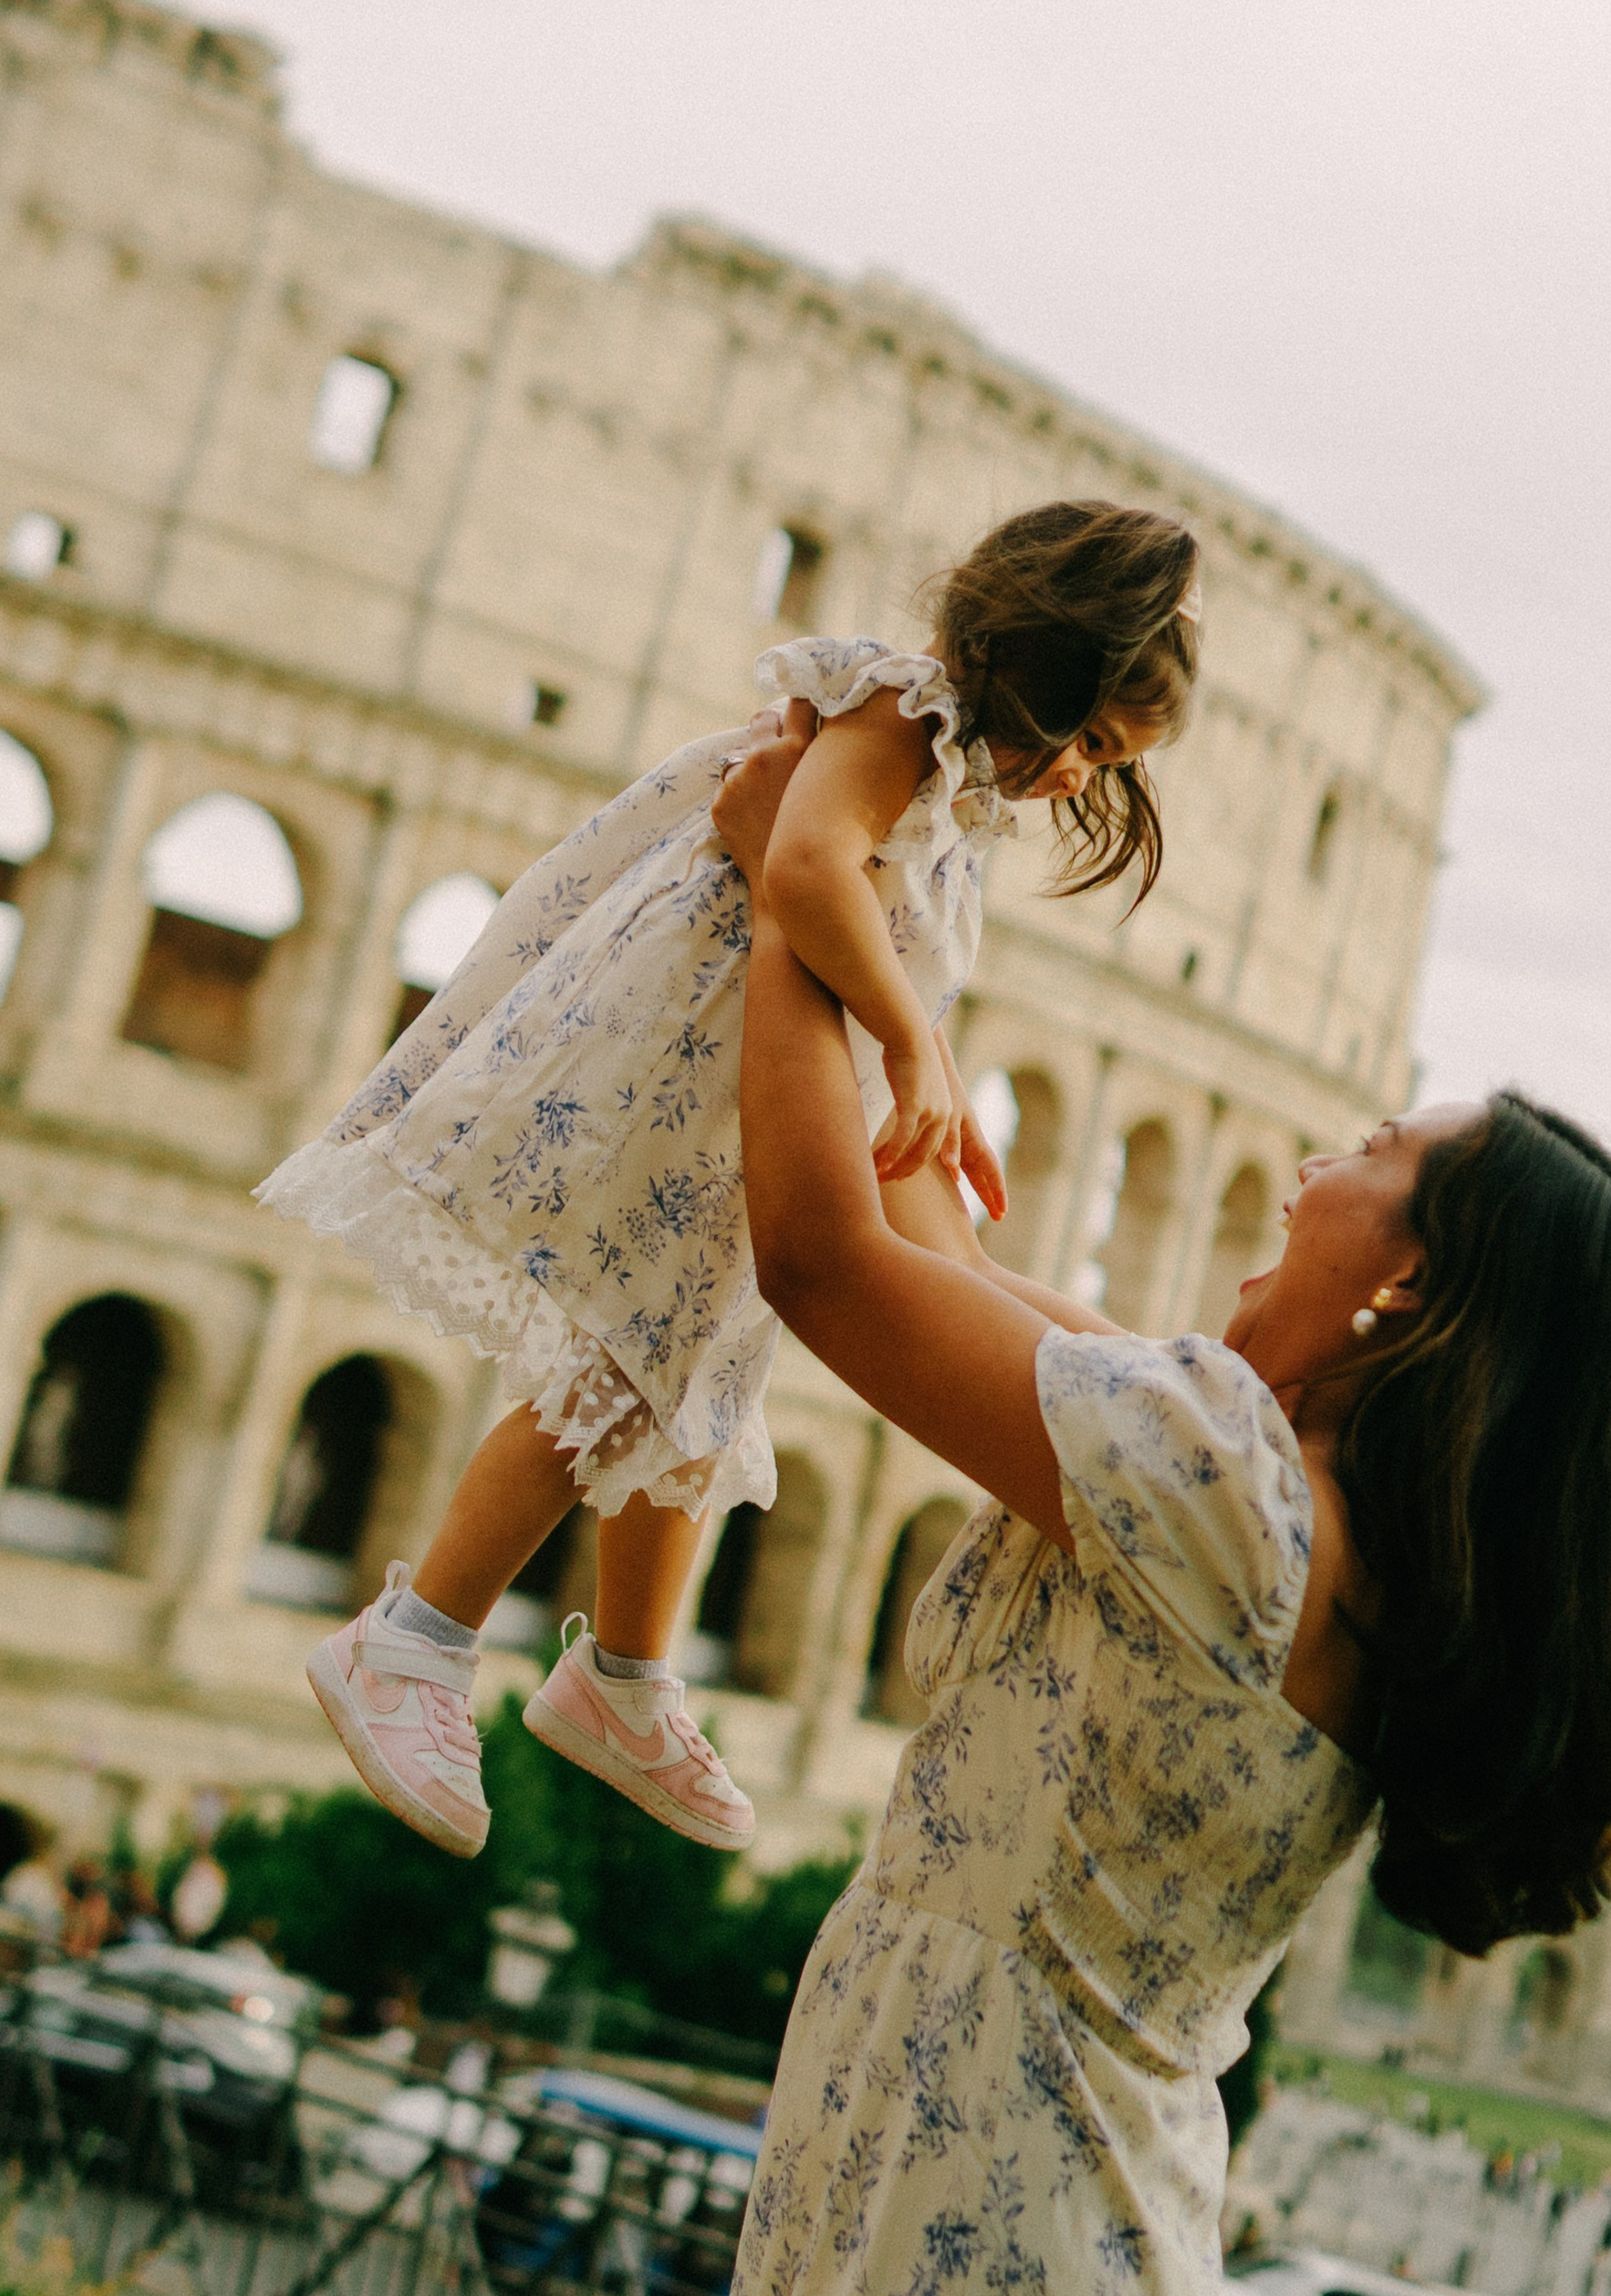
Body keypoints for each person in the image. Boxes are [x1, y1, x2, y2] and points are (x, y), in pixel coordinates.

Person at [541, 703, 1611, 2296]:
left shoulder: (1218, 1489)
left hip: (978, 2175)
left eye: (1380, 1152)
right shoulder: (1275, 1499)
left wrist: (810, 901)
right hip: (1037, 2185)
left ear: (1420, 1288)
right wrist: (873, 966)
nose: (1315, 1156)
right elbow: (960, 1259)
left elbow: (818, 1255)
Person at [258, 500, 1203, 1866]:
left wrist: (915, 1075)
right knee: (630, 1355)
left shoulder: (949, 790)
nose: (1078, 786)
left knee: (722, 1353)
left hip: (788, 1064)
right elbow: (806, 869)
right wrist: (907, 1040)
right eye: (1094, 746)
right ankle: (412, 1642)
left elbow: (853, 919)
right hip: (700, 1052)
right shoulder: (901, 713)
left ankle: (625, 1681)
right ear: (1046, 677)